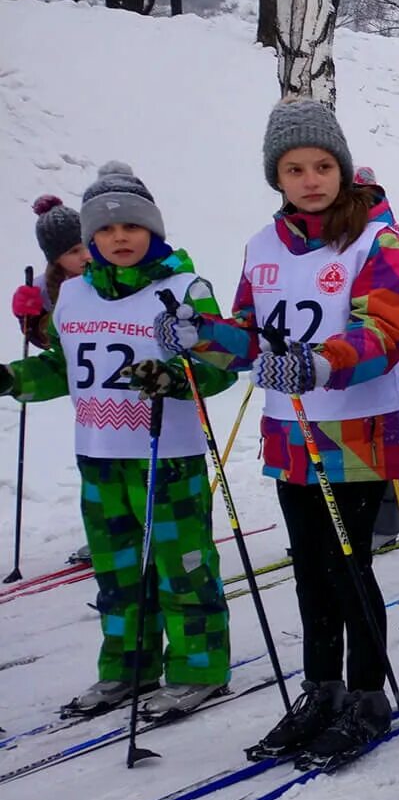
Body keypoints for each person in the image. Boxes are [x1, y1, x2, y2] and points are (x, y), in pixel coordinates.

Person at [160, 99, 399, 770]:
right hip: (289, 429)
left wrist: (317, 360)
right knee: (308, 570)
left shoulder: (379, 243)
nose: (310, 179)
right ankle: (322, 688)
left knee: (348, 565)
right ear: (277, 176)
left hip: (358, 428)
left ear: (342, 168)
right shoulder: (263, 247)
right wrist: (201, 336)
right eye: (294, 167)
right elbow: (248, 338)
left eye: (323, 165)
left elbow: (382, 334)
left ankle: (366, 693)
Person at [0, 164, 237, 718]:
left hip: (167, 458)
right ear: (89, 239)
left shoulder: (183, 289)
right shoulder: (75, 296)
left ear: (153, 231)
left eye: (132, 226)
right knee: (118, 573)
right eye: (105, 231)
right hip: (101, 458)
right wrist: (14, 379)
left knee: (182, 568)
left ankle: (198, 667)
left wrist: (177, 377)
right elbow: (64, 369)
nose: (119, 238)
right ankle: (127, 668)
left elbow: (223, 365)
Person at [14, 195, 89, 350]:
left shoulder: (115, 270)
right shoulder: (43, 290)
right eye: (74, 251)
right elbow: (46, 342)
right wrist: (29, 320)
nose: (86, 256)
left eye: (88, 245)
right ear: (56, 259)